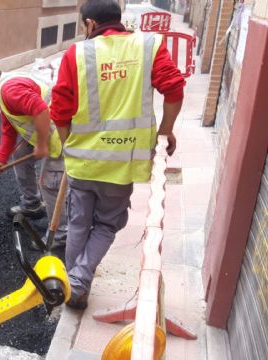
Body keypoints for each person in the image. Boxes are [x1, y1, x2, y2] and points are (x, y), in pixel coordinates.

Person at [50, 0, 185, 309]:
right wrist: (165, 130)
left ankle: (75, 288)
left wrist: (69, 144)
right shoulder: (148, 46)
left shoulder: (78, 54)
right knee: (107, 226)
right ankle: (79, 281)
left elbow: (60, 109)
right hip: (122, 166)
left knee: (79, 225)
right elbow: (174, 88)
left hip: (83, 164)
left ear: (90, 25)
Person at [0, 60, 67, 247]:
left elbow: (40, 111)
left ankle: (61, 234)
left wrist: (41, 145)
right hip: (44, 128)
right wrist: (0, 160)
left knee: (50, 184)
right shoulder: (3, 91)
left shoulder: (10, 90)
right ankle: (32, 204)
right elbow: (9, 129)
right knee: (20, 154)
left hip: (60, 132)